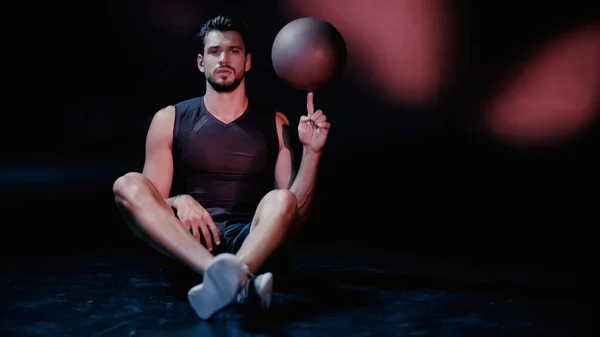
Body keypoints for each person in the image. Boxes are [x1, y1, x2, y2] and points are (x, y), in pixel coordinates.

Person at [112, 15, 331, 320]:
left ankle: (231, 276)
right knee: (127, 184)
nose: (224, 59)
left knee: (282, 198)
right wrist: (179, 200)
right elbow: (150, 205)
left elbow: (293, 214)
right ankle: (230, 278)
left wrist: (312, 151)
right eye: (215, 51)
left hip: (252, 242)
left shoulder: (276, 123)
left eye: (234, 51)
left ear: (248, 62)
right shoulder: (169, 118)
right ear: (201, 62)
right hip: (189, 244)